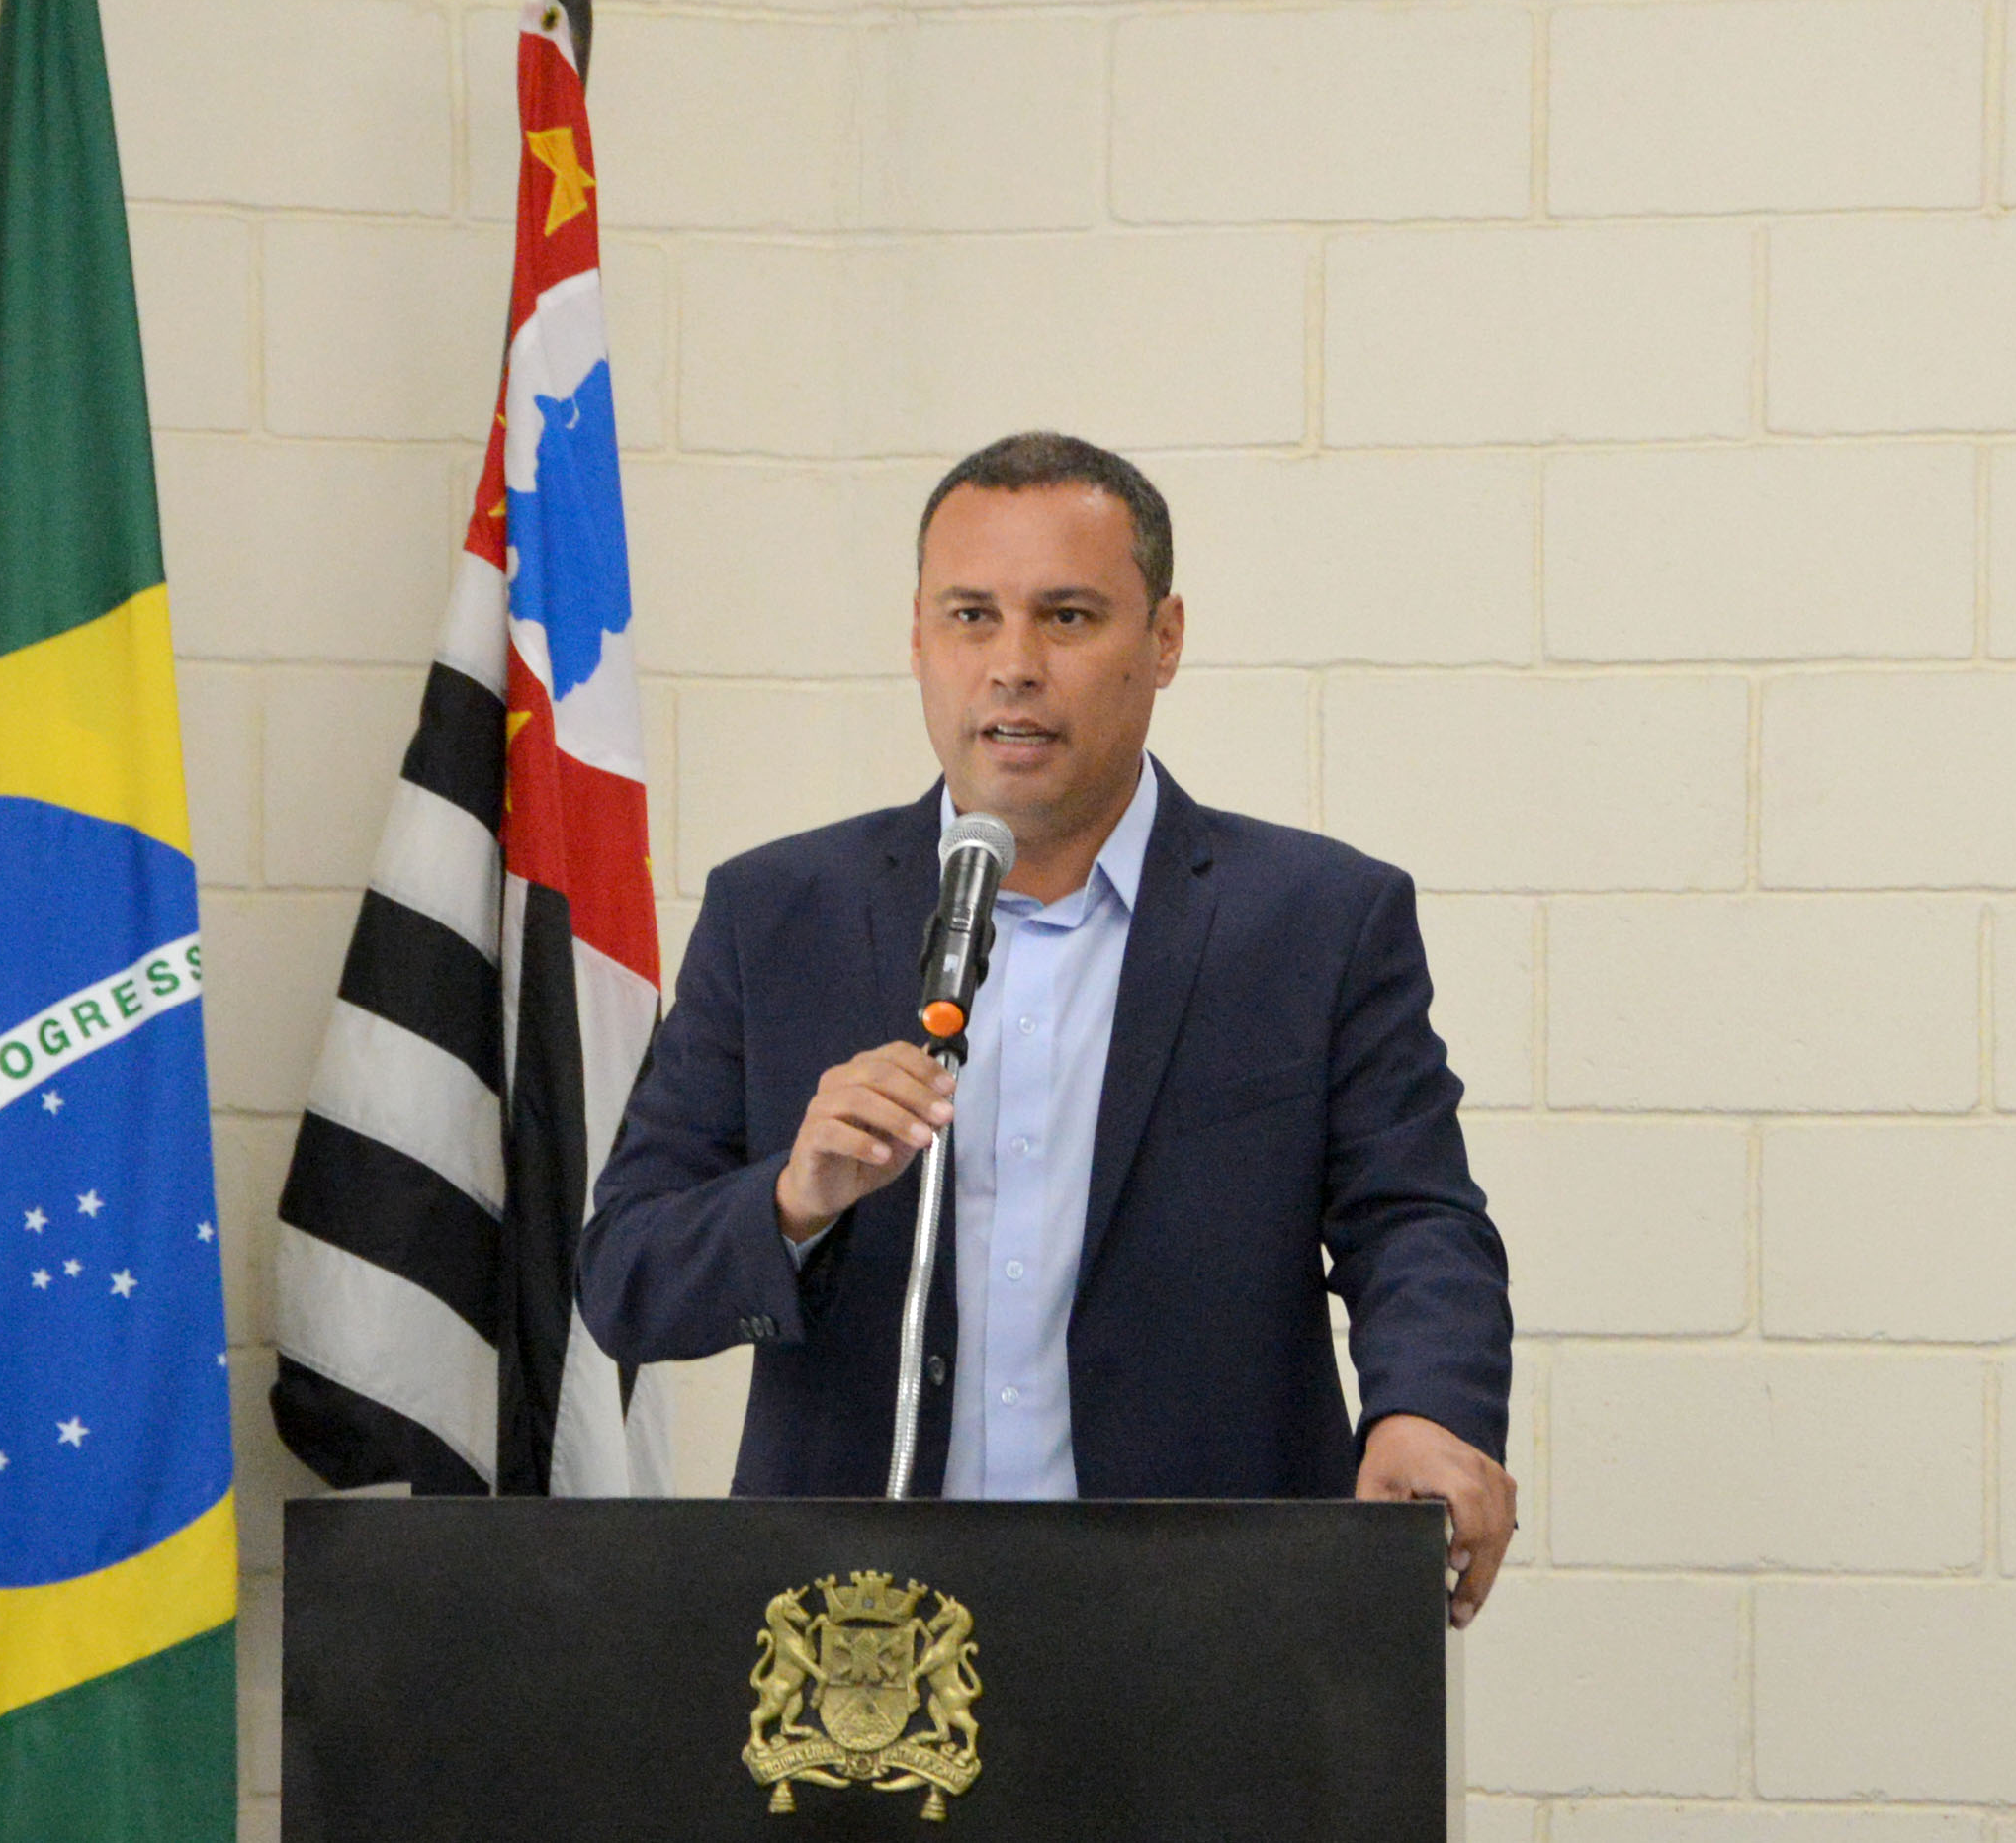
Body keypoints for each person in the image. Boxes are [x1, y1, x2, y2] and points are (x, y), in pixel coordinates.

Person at [577, 432, 1517, 1625]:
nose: (1012, 666)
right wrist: (791, 1201)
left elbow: (1415, 1219)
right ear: (916, 638)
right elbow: (626, 1277)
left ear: (1163, 639)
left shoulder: (1317, 920)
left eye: (1066, 618)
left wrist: (1424, 1412)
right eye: (970, 616)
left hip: (1204, 1619)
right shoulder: (777, 914)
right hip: (860, 1643)